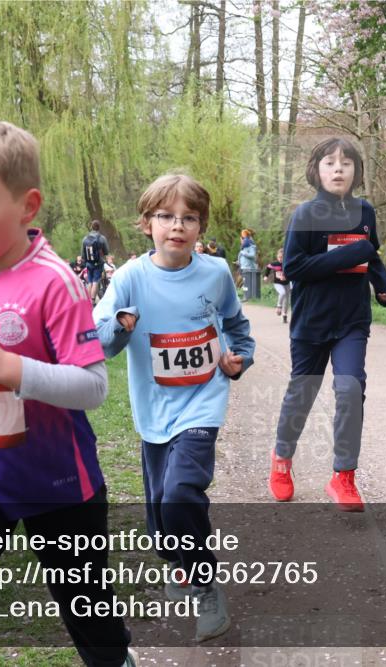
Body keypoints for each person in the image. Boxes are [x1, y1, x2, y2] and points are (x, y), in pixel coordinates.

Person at [0, 120, 135, 666]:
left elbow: (93, 387)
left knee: (88, 609)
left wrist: (7, 366)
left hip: (58, 479)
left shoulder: (54, 283)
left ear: (27, 207)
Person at [95, 173, 255, 642]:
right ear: (147, 224)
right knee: (162, 518)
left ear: (201, 226)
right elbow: (99, 341)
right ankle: (181, 563)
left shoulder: (215, 273)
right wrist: (122, 326)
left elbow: (237, 328)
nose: (177, 226)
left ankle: (206, 589)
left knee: (182, 493)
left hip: (202, 401)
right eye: (166, 217)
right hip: (153, 410)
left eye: (189, 218)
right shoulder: (129, 278)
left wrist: (237, 359)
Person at [269, 137, 386, 511]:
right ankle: (281, 460)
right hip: (311, 321)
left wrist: (382, 284)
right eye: (329, 163)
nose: (338, 169)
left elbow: (370, 255)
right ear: (316, 170)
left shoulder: (365, 211)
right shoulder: (305, 215)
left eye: (346, 163)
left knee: (351, 389)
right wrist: (350, 254)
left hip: (352, 320)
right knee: (302, 395)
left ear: (356, 171)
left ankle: (344, 477)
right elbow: (294, 269)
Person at [82, 219, 111, 304]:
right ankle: (92, 300)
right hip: (98, 263)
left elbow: (83, 254)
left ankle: (86, 301)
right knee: (95, 282)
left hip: (88, 263)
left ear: (91, 227)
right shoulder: (101, 238)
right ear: (99, 227)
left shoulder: (85, 238)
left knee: (90, 282)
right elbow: (106, 251)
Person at [263, 247, 291, 323]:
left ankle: (284, 315)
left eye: (282, 257)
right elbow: (268, 267)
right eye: (279, 257)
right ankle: (279, 306)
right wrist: (266, 276)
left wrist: (286, 277)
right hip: (277, 283)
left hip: (287, 284)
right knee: (282, 293)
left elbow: (292, 272)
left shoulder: (288, 264)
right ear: (277, 257)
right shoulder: (275, 264)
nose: (280, 259)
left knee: (287, 300)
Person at [238, 229, 259, 301]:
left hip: (248, 267)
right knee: (246, 282)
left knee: (246, 282)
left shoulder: (251, 246)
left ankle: (246, 297)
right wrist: (239, 261)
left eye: (242, 239)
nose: (242, 241)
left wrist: (243, 253)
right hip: (243, 266)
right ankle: (247, 296)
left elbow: (252, 255)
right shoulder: (244, 248)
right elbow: (242, 256)